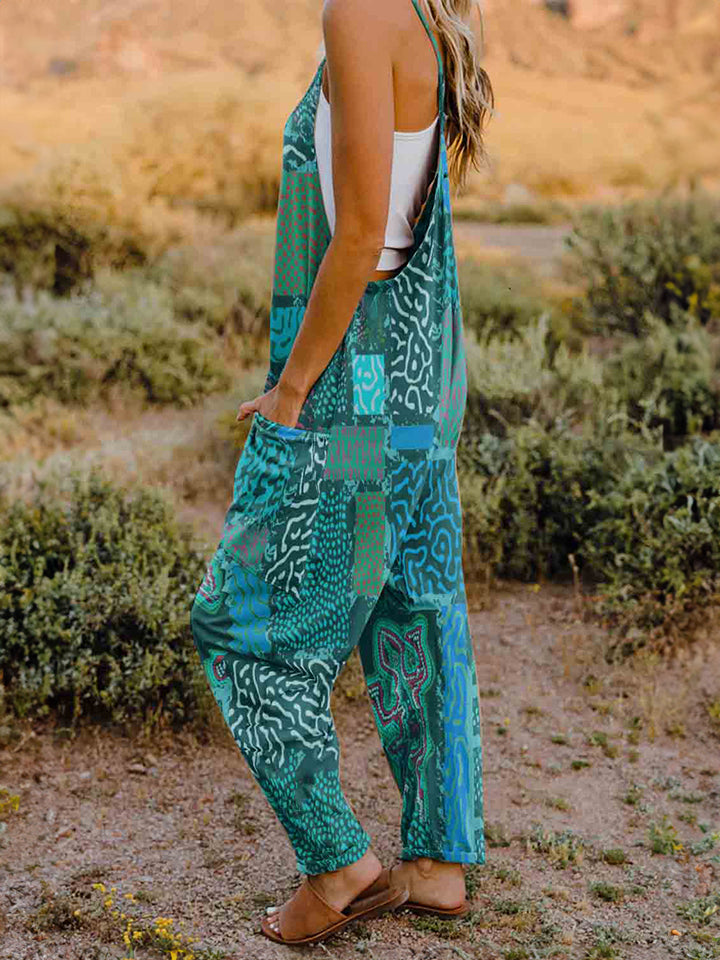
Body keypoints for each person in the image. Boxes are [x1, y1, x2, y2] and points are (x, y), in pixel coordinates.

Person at [190, 0, 494, 946]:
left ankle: (340, 865)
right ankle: (440, 864)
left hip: (359, 392)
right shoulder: (417, 12)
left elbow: (362, 232)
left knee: (240, 625)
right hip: (415, 379)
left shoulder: (359, 10)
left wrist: (290, 392)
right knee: (414, 603)